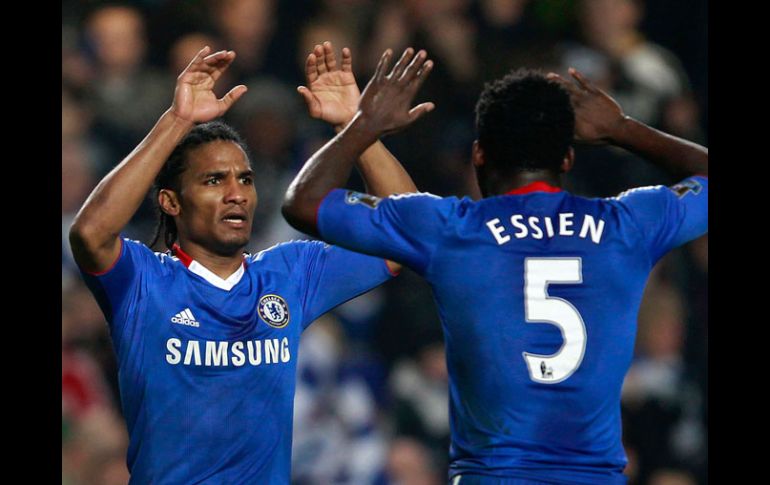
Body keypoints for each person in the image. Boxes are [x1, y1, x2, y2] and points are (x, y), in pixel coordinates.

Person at [282, 47, 708, 483]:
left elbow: (303, 202)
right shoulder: (627, 226)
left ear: (479, 154)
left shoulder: (452, 230)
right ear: (567, 159)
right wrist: (623, 129)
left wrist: (362, 125)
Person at [69, 43, 416, 483]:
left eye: (245, 179)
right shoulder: (143, 280)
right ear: (171, 201)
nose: (236, 193)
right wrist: (176, 121)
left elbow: (405, 233)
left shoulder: (290, 274)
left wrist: (356, 127)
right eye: (214, 180)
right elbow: (90, 233)